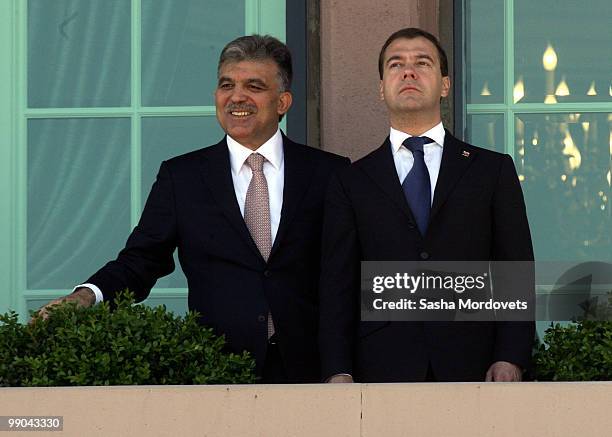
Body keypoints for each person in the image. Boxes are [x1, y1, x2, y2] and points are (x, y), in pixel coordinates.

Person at [35, 34, 349, 383]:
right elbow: (140, 261)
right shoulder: (181, 177)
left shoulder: (330, 173)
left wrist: (342, 368)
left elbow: (348, 274)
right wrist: (85, 297)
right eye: (226, 84)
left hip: (314, 372)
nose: (237, 96)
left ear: (283, 102)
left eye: (254, 86)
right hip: (218, 373)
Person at [319, 28, 534, 383]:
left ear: (445, 85)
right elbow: (338, 284)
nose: (408, 72)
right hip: (381, 365)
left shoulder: (491, 170)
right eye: (395, 64)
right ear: (381, 87)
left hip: (474, 362)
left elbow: (515, 270)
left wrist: (510, 356)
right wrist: (337, 369)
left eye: (422, 62)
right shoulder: (351, 180)